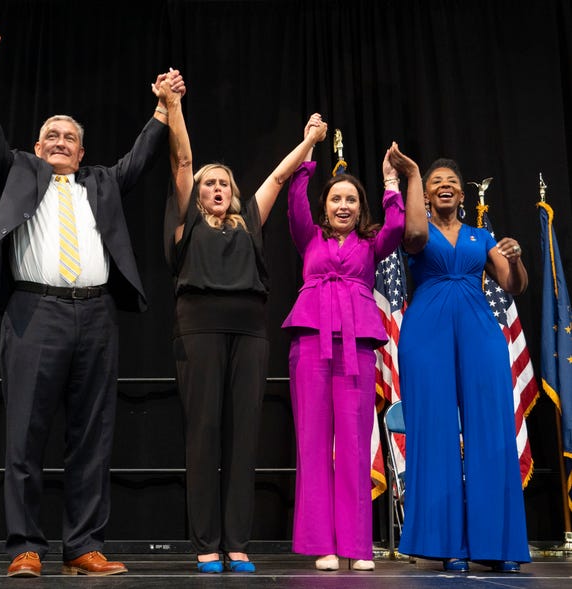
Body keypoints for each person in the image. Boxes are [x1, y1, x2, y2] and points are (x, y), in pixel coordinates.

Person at [0, 29, 185, 577]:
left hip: (95, 316)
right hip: (33, 313)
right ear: (38, 147)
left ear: (82, 151)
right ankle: (23, 546)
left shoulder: (102, 182)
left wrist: (162, 107)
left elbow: (141, 156)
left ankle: (83, 544)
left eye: (69, 137)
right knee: (24, 432)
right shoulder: (19, 169)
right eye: (51, 136)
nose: (60, 141)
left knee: (92, 433)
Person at [158, 82, 328, 572]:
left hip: (250, 331)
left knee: (243, 435)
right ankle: (207, 543)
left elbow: (278, 176)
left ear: (233, 193)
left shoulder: (249, 220)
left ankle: (237, 542)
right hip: (199, 328)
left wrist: (310, 143)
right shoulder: (187, 221)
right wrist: (175, 107)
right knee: (205, 433)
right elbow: (184, 162)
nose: (216, 189)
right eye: (210, 183)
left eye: (224, 184)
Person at [281, 120, 421, 572]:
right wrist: (308, 150)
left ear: (361, 208)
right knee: (314, 443)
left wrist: (389, 181)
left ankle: (357, 545)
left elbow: (397, 225)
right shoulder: (310, 236)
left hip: (356, 347)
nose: (343, 205)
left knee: (357, 445)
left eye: (351, 200)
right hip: (311, 344)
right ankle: (322, 543)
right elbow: (294, 201)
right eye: (336, 198)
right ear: (326, 204)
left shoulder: (370, 242)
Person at [397, 157, 530, 573]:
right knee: (435, 431)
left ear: (463, 193)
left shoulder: (480, 236)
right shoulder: (414, 230)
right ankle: (445, 543)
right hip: (427, 330)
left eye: (452, 181)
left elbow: (513, 284)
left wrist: (518, 257)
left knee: (490, 429)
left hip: (479, 328)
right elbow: (416, 235)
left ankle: (497, 544)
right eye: (436, 182)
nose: (445, 186)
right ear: (425, 192)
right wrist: (413, 176)